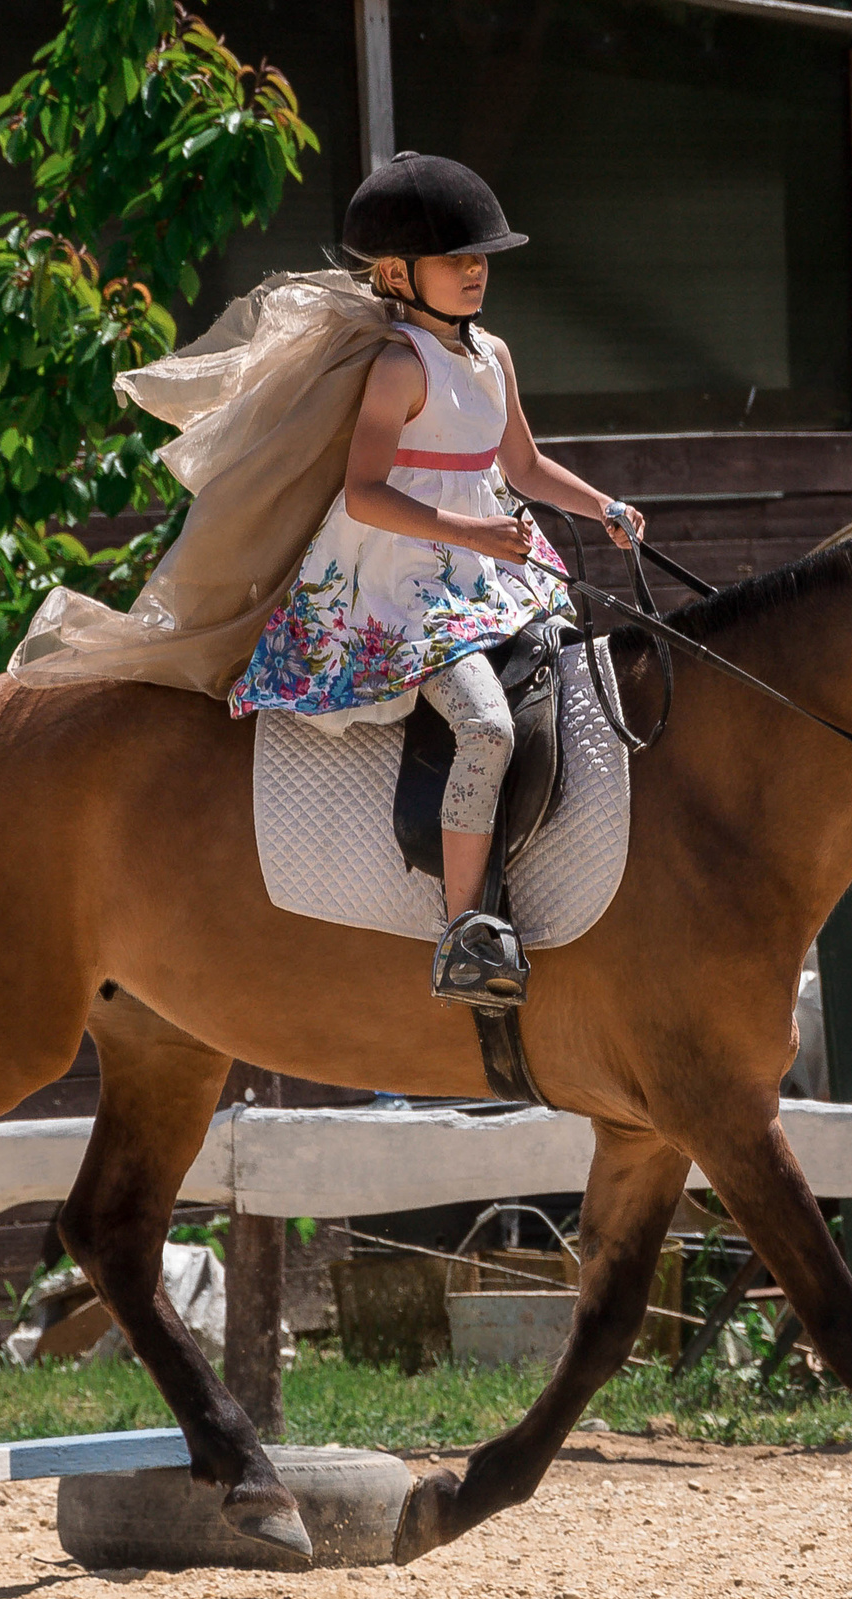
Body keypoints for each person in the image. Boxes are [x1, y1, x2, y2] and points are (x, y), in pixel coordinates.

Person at [223, 153, 645, 1007]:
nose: (476, 269)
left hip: (486, 568)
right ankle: (464, 934)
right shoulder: (400, 366)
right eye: (458, 257)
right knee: (487, 728)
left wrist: (602, 504)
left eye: (482, 255)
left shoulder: (493, 355)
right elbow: (365, 494)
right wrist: (473, 530)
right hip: (400, 587)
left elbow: (520, 464)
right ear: (395, 274)